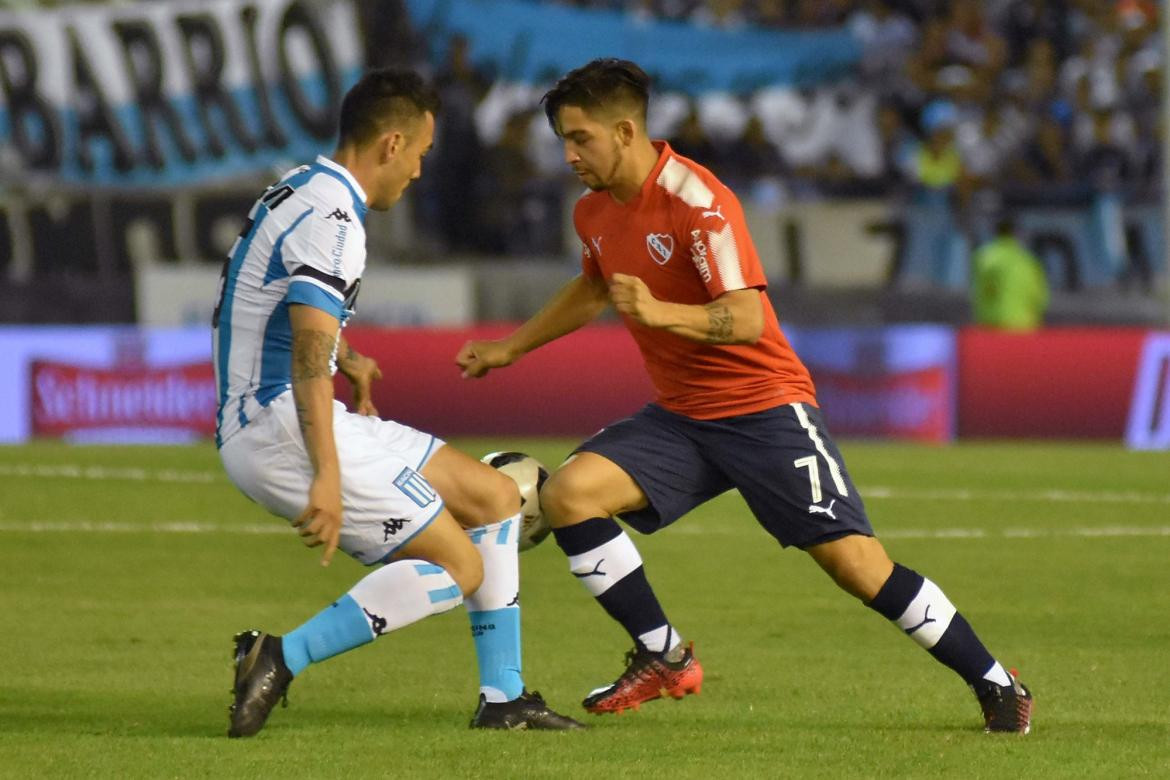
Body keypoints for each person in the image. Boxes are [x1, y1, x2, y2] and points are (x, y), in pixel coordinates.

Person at [456, 58, 1034, 733]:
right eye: (563, 139)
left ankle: (997, 683)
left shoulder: (697, 202)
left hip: (764, 407)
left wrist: (662, 314)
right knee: (568, 495)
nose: (569, 153)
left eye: (580, 138)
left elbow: (750, 318)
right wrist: (510, 347)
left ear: (625, 129)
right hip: (683, 416)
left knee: (855, 566)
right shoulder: (593, 212)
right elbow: (592, 288)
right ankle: (663, 655)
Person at [212, 68, 583, 737]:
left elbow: (263, 307)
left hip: (286, 409)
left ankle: (504, 699)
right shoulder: (334, 222)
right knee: (460, 565)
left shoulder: (301, 187)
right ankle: (279, 656)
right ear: (390, 144)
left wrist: (345, 358)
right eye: (419, 154)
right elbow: (301, 352)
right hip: (280, 424)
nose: (417, 171)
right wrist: (327, 473)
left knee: (495, 497)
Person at [971, 218, 1050, 330]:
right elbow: (1040, 299)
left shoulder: (983, 259)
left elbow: (978, 293)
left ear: (995, 233)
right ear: (1016, 233)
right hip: (1023, 329)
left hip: (990, 328)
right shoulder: (1028, 261)